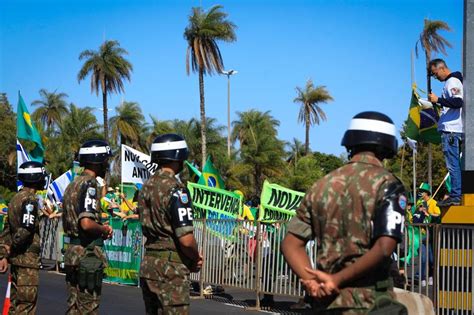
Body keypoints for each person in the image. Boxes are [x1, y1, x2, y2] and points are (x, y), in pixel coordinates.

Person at [281, 111, 408, 314]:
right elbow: (385, 247)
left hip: (325, 303)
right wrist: (336, 280)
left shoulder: (321, 185)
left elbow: (290, 244)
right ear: (387, 146)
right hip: (370, 302)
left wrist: (313, 282)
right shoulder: (388, 184)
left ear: (350, 143)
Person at [137, 134, 202, 314]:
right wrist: (196, 257)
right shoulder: (176, 189)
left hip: (149, 264)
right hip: (170, 268)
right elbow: (186, 239)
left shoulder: (145, 188)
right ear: (178, 156)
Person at [62, 140, 113, 314]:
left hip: (73, 252)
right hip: (87, 255)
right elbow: (86, 223)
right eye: (106, 160)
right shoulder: (90, 184)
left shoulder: (72, 185)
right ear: (98, 160)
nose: (107, 164)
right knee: (87, 308)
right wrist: (103, 229)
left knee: (73, 307)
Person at [0, 161, 48, 313]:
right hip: (26, 262)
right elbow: (26, 230)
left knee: (16, 304)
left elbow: (7, 230)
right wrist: (12, 248)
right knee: (26, 306)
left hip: (16, 261)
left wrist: (4, 254)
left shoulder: (15, 198)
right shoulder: (30, 200)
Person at [428, 58, 464, 207]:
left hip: (451, 131)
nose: (436, 78)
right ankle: (456, 194)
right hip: (452, 129)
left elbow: (458, 102)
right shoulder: (452, 82)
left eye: (435, 74)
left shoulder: (452, 82)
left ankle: (455, 195)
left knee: (453, 165)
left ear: (442, 68)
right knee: (455, 164)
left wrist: (438, 100)